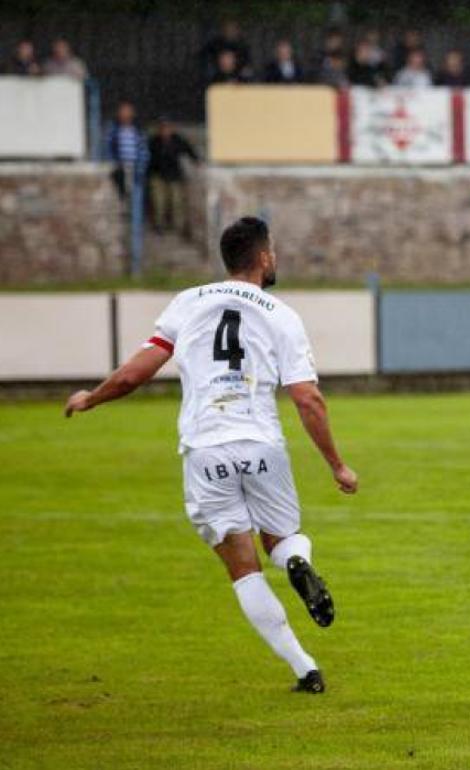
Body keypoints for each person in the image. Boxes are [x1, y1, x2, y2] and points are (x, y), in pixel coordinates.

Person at [63, 217, 361, 691]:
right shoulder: (281, 315)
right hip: (261, 444)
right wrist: (337, 465)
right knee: (283, 539)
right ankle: (295, 562)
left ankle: (306, 668)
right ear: (263, 258)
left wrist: (91, 398)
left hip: (205, 450)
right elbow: (308, 399)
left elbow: (133, 375)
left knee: (242, 567)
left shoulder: (188, 302)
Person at [147, 118, 200, 237]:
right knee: (159, 201)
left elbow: (189, 150)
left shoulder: (177, 140)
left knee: (176, 201)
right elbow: (147, 156)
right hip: (158, 175)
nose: (165, 131)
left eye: (168, 128)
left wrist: (196, 161)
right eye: (163, 128)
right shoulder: (154, 141)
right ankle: (159, 225)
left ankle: (177, 226)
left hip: (174, 175)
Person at [105, 101, 148, 202]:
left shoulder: (138, 130)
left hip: (135, 165)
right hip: (121, 165)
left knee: (136, 194)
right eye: (122, 112)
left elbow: (143, 150)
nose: (125, 115)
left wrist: (142, 165)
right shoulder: (114, 130)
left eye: (127, 112)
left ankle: (136, 213)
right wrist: (114, 162)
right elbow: (108, 147)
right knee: (124, 193)